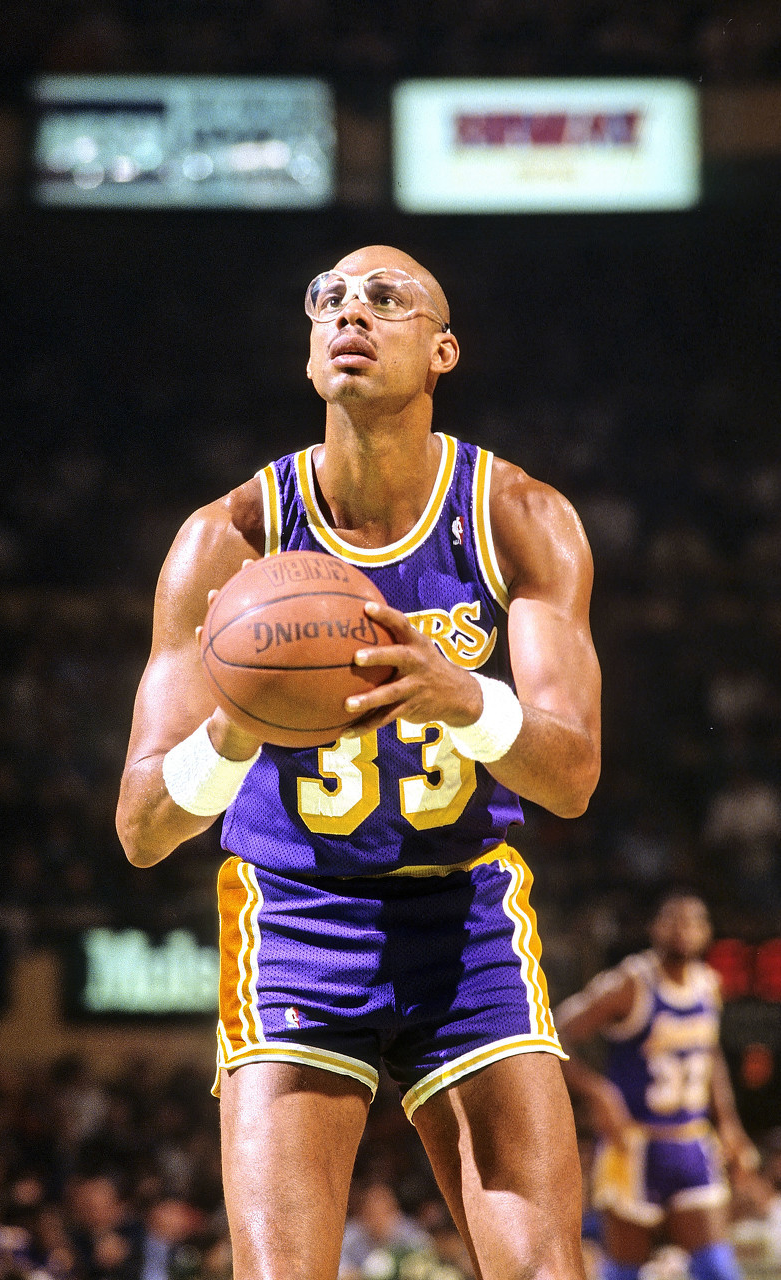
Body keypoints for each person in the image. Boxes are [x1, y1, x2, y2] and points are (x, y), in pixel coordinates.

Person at [117, 245, 602, 1280]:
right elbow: (142, 827)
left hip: (463, 912)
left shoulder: (518, 517)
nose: (350, 311)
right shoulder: (228, 538)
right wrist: (233, 731)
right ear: (308, 355)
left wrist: (464, 696)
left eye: (386, 298)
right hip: (296, 912)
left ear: (442, 351)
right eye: (328, 299)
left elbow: (571, 777)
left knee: (544, 1266)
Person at [554, 892, 760, 1280]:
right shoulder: (630, 982)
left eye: (693, 921)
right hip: (634, 1146)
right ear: (655, 928)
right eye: (672, 920)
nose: (682, 929)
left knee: (717, 1268)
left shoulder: (708, 984)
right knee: (624, 1272)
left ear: (707, 932)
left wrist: (729, 1125)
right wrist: (600, 1094)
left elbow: (709, 1056)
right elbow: (556, 1031)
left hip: (691, 1141)